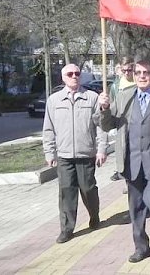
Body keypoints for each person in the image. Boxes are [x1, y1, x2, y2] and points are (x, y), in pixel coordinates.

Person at [98, 60, 150, 263]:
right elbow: (107, 124)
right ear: (133, 75)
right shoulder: (125, 97)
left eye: (146, 72)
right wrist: (104, 108)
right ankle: (141, 247)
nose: (142, 76)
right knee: (135, 208)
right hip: (132, 163)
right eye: (138, 73)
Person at [42, 64, 106, 244]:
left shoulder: (91, 98)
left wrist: (101, 149)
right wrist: (50, 153)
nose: (74, 76)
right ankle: (67, 228)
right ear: (63, 78)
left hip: (86, 154)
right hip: (64, 155)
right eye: (70, 74)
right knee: (66, 192)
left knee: (88, 189)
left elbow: (101, 126)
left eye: (77, 73)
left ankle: (94, 215)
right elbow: (48, 129)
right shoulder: (54, 100)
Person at [109, 56, 135, 182]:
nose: (126, 73)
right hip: (122, 122)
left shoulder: (139, 80)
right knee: (123, 152)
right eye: (123, 70)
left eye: (129, 70)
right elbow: (112, 104)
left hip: (136, 121)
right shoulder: (116, 86)